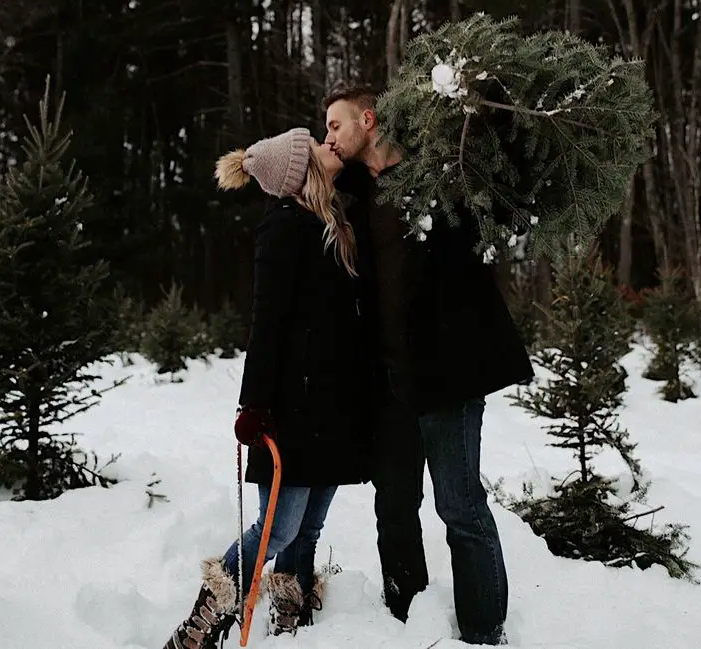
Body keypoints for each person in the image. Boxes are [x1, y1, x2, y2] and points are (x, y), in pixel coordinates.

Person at [324, 85, 534, 647]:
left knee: (460, 508)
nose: (329, 138)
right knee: (393, 507)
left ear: (368, 119)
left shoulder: (440, 173)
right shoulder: (353, 191)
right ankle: (406, 620)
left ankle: (484, 632)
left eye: (336, 126)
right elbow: (296, 159)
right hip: (391, 384)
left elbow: (508, 163)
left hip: (448, 377)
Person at [162, 127, 373, 649]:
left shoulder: (332, 221)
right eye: (317, 147)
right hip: (293, 406)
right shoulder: (283, 226)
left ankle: (290, 614)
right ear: (300, 173)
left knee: (309, 530)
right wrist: (254, 403)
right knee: (278, 530)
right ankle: (205, 619)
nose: (330, 146)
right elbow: (267, 320)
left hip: (331, 405)